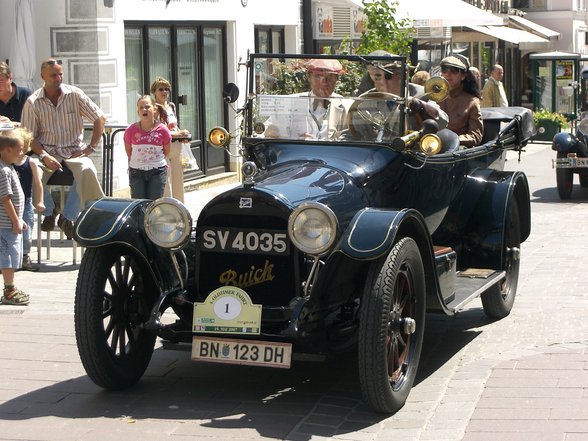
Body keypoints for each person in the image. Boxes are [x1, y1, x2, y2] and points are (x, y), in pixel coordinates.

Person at [21, 58, 106, 239]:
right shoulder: (33, 101)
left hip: (74, 150)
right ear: (43, 76)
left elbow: (99, 118)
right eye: (53, 75)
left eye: (60, 74)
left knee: (87, 170)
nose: (58, 78)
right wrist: (43, 156)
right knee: (29, 169)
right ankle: (50, 212)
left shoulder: (75, 94)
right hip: (47, 151)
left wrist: (90, 147)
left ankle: (69, 216)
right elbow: (28, 136)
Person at [349, 52, 448, 141]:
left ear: (403, 75)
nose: (383, 82)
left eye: (388, 76)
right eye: (377, 77)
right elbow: (352, 133)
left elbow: (443, 123)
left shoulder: (420, 94)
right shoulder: (365, 100)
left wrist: (421, 106)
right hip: (378, 153)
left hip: (413, 153)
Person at [267, 58, 348, 140]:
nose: (324, 82)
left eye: (330, 78)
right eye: (318, 77)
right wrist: (295, 139)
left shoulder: (346, 105)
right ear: (309, 77)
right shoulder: (290, 102)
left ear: (337, 80)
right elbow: (265, 131)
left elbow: (352, 138)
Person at [0, 129, 29, 305]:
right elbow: (5, 198)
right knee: (7, 257)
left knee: (10, 255)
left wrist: (20, 218)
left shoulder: (8, 167)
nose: (22, 154)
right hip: (5, 224)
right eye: (19, 150)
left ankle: (10, 289)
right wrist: (15, 219)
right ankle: (9, 291)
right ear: (6, 150)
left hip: (10, 221)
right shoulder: (3, 171)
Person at [123, 95, 171, 200]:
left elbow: (167, 151)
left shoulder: (163, 130)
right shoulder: (130, 130)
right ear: (138, 112)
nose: (144, 110)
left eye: (147, 107)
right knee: (138, 204)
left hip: (157, 171)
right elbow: (129, 152)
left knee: (153, 204)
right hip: (136, 172)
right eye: (141, 107)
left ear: (154, 109)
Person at [151, 77, 191, 202]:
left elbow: (174, 126)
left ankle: (180, 206)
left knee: (178, 178)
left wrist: (183, 135)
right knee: (166, 178)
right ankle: (169, 206)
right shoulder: (155, 109)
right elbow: (158, 130)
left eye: (166, 89)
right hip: (164, 146)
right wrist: (178, 134)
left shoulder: (171, 106)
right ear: (154, 92)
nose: (164, 92)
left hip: (177, 145)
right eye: (161, 89)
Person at [13, 128, 44, 272]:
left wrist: (40, 201)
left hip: (25, 202)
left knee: (27, 232)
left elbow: (38, 184)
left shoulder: (30, 162)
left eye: (22, 146)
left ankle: (25, 257)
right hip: (9, 202)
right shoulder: (6, 162)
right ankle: (10, 260)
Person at [439, 54, 483, 148]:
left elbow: (475, 136)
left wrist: (453, 140)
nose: (448, 74)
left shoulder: (472, 102)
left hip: (455, 151)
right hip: (429, 147)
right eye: (444, 70)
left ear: (463, 76)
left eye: (454, 71)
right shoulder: (433, 97)